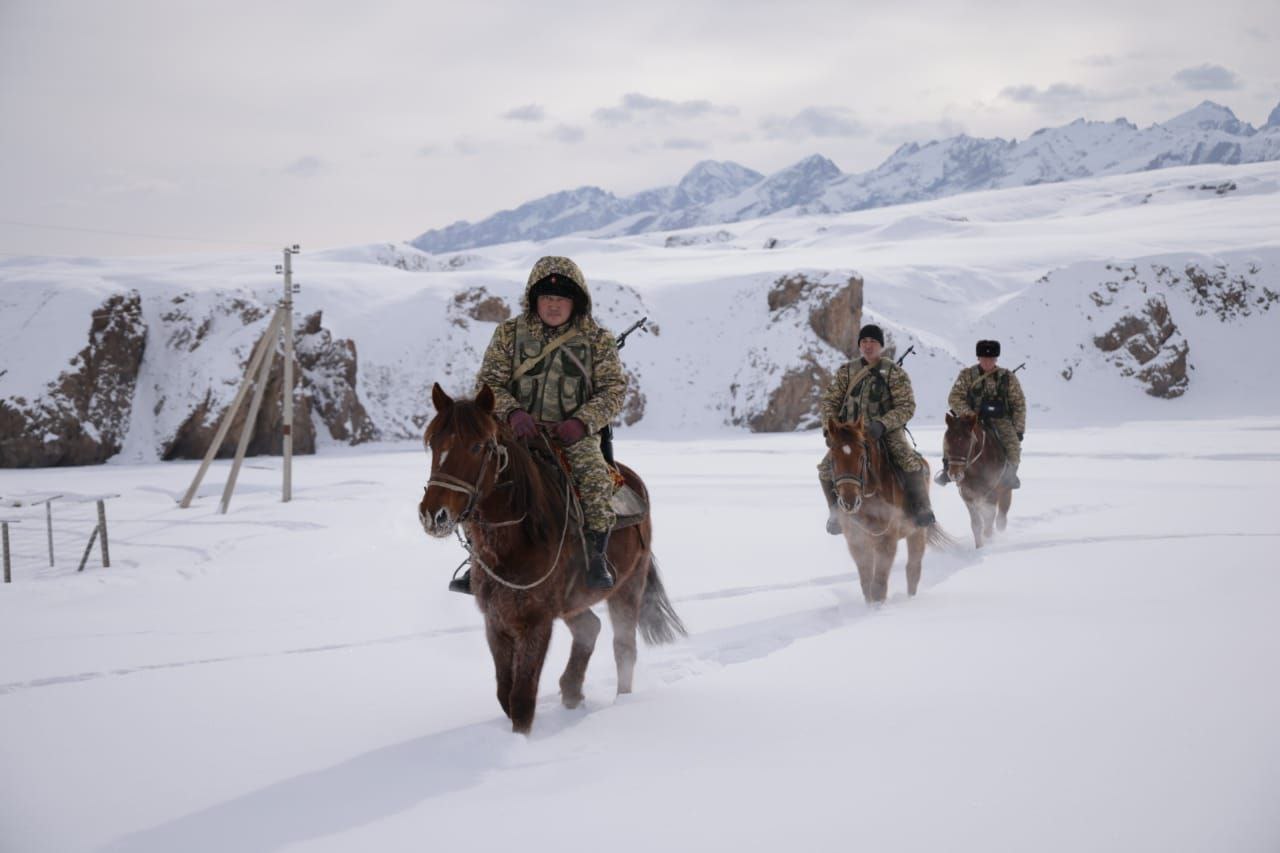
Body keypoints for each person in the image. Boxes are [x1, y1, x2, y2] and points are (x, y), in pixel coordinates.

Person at [450, 256, 626, 594]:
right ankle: (476, 558)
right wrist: (513, 413)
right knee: (476, 475)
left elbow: (613, 390)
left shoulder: (597, 340)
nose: (554, 305)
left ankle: (595, 557)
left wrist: (582, 422)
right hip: (515, 433)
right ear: (534, 300)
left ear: (576, 301)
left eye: (561, 298)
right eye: (546, 298)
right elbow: (488, 382)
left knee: (593, 478)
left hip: (572, 435)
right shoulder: (509, 334)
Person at [817, 324, 935, 533]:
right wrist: (831, 429)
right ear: (859, 345)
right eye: (864, 342)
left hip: (885, 430)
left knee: (907, 458)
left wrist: (883, 424)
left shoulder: (893, 372)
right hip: (850, 434)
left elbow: (906, 406)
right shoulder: (847, 371)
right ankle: (835, 512)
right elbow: (829, 402)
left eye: (872, 342)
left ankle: (922, 508)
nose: (868, 346)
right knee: (826, 468)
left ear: (880, 345)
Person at [938, 339, 1026, 488]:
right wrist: (970, 415)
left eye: (991, 359)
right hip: (971, 420)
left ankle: (1010, 475)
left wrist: (1018, 429)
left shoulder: (1007, 377)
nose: (987, 362)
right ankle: (947, 469)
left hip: (1000, 420)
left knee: (1013, 446)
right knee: (951, 437)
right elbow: (954, 397)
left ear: (996, 359)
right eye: (984, 358)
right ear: (978, 358)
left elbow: (1019, 404)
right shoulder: (967, 375)